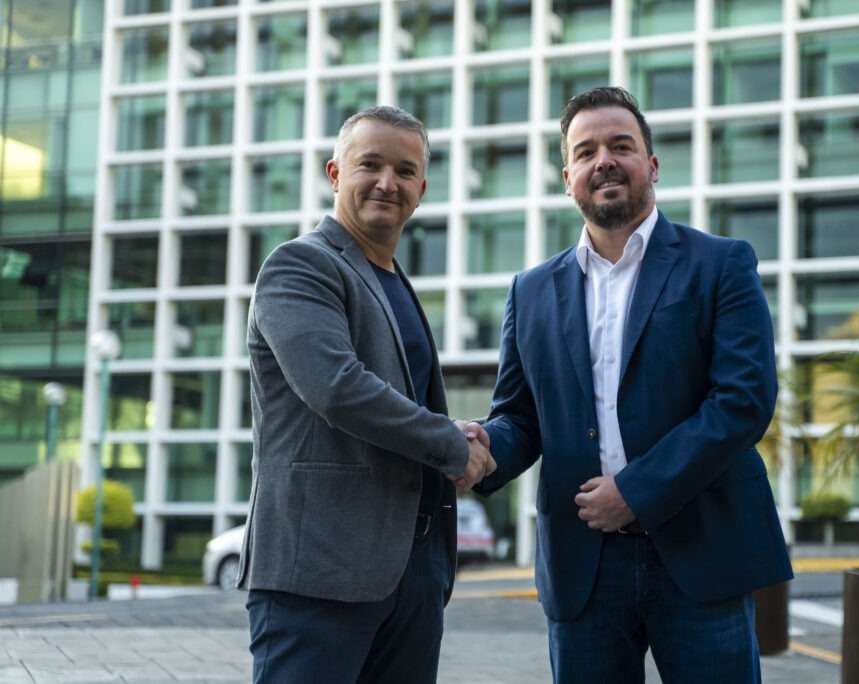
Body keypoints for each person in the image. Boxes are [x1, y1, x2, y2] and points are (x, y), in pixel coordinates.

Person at [473, 87, 793, 683]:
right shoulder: (530, 291)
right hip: (583, 568)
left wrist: (636, 491)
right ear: (567, 175)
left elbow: (743, 401)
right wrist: (478, 451)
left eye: (621, 145)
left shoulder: (720, 263)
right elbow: (519, 419)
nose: (605, 161)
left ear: (652, 164)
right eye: (586, 151)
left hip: (702, 554)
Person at [238, 105, 494, 684]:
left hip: (412, 577)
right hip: (319, 576)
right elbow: (338, 387)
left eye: (405, 171)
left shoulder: (397, 282)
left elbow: (408, 405)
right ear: (334, 173)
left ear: (421, 189)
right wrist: (452, 443)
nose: (387, 182)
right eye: (369, 165)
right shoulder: (300, 265)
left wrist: (468, 436)